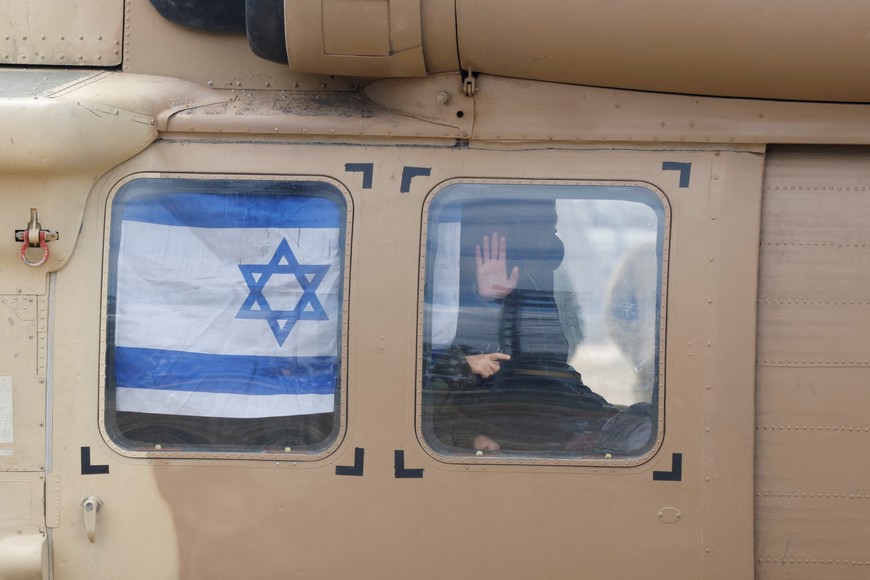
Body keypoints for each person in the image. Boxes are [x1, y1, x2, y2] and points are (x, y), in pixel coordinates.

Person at [426, 199, 616, 453]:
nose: (544, 240)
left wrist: (598, 419)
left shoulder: (529, 286)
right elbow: (419, 372)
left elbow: (543, 370)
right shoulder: (434, 296)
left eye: (550, 228)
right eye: (486, 233)